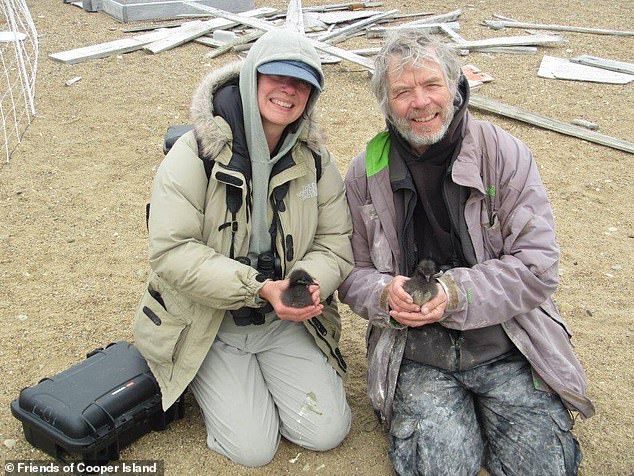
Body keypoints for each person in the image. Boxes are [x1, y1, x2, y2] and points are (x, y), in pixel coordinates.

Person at [338, 29, 595, 476]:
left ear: (456, 88)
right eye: (402, 91)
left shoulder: (505, 153)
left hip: (506, 342)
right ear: (385, 101)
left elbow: (537, 266)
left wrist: (455, 293)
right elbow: (351, 272)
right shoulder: (366, 171)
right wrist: (385, 295)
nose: (420, 102)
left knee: (542, 467)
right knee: (442, 466)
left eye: (431, 85)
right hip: (416, 350)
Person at [133, 29, 354, 467]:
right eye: (276, 77)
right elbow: (171, 251)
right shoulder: (194, 151)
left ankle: (255, 378)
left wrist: (306, 284)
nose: (288, 90)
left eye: (302, 82)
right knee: (253, 449)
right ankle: (203, 372)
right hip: (210, 322)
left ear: (312, 94)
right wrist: (257, 288)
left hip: (281, 320)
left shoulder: (315, 158)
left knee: (327, 431)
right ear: (251, 77)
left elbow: (336, 243)